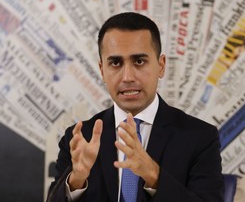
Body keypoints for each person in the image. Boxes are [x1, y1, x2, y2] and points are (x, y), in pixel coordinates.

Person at [47, 12, 224, 202]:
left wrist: (153, 175)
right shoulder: (79, 138)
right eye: (115, 63)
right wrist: (76, 181)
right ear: (102, 71)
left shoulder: (200, 137)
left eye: (139, 61)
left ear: (161, 66)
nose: (128, 77)